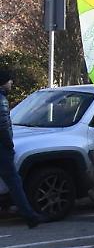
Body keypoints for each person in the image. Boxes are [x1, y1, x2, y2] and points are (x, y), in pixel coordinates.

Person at [0, 69, 47, 227]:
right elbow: (4, 126)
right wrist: (9, 145)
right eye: (9, 81)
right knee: (14, 182)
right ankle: (30, 216)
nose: (11, 83)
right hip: (1, 149)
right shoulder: (2, 100)